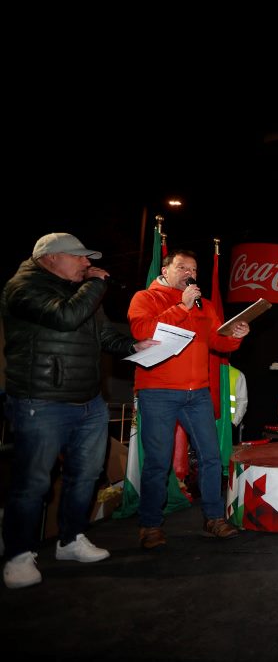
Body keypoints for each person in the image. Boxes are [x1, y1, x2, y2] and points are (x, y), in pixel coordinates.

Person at [1, 233, 158, 588]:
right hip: (40, 401)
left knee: (85, 476)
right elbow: (67, 318)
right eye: (80, 258)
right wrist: (94, 284)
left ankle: (71, 540)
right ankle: (18, 556)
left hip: (89, 401)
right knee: (32, 484)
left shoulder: (82, 293)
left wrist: (135, 345)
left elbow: (103, 335)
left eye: (88, 260)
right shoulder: (23, 287)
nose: (88, 264)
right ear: (51, 257)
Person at [128, 249, 248, 549]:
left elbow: (217, 342)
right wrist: (180, 307)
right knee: (158, 460)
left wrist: (236, 334)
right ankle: (150, 525)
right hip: (158, 392)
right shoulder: (146, 298)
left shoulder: (204, 305)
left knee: (211, 457)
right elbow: (143, 332)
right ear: (165, 270)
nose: (188, 273)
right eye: (181, 267)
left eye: (193, 268)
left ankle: (213, 518)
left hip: (198, 393)